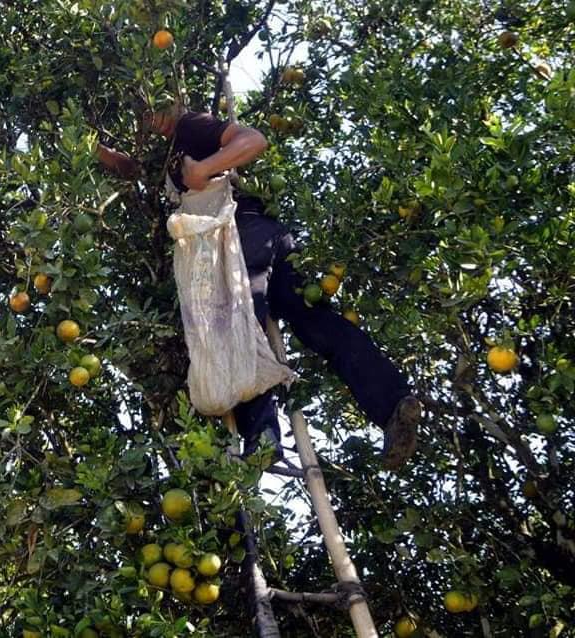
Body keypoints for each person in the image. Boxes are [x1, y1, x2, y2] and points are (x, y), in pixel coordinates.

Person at [96, 105, 422, 470]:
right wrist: (99, 150)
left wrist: (203, 169)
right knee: (316, 321)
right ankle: (393, 403)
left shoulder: (191, 126)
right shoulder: (169, 151)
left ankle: (263, 438)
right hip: (269, 236)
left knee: (234, 324)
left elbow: (253, 140)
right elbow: (135, 170)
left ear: (171, 105)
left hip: (240, 234)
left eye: (152, 109)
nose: (147, 118)